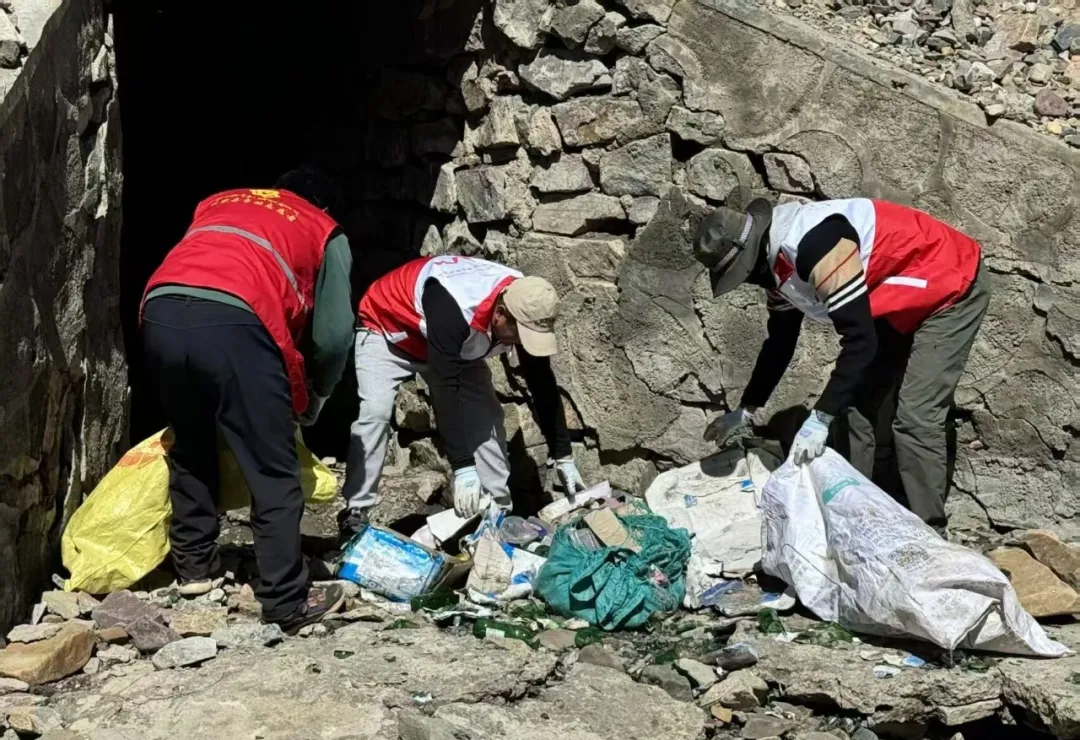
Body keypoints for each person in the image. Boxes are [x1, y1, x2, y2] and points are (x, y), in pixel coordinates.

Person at [140, 168, 355, 632]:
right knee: (272, 466)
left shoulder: (219, 201)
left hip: (160, 310)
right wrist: (317, 395)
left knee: (192, 441)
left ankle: (195, 568)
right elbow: (335, 335)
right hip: (238, 320)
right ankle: (286, 601)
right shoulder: (323, 228)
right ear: (325, 207)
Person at [693, 197, 989, 530]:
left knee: (916, 417)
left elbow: (861, 343)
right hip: (897, 294)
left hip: (949, 281)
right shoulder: (774, 266)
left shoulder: (816, 246)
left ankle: (928, 533)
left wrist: (820, 416)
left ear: (752, 257)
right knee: (854, 407)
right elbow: (780, 343)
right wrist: (746, 410)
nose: (745, 281)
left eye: (741, 273)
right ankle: (854, 516)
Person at [339, 255, 583, 537]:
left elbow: (541, 382)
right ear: (500, 314)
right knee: (376, 413)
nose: (520, 343)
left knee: (487, 417)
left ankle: (496, 515)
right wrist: (463, 468)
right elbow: (445, 389)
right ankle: (356, 511)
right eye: (518, 334)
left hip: (456, 344)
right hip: (389, 330)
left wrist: (563, 454)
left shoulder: (527, 304)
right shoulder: (455, 304)